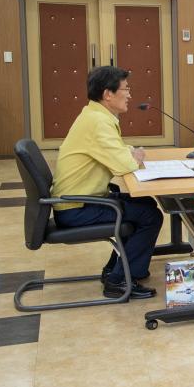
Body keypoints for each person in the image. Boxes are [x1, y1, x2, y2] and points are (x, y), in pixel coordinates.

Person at [51, 66, 163, 300]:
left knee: (145, 204)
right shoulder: (98, 121)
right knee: (150, 216)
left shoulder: (95, 115)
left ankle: (116, 270)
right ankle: (119, 281)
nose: (130, 95)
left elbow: (120, 150)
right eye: (126, 89)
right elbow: (125, 164)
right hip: (76, 208)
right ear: (108, 94)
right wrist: (134, 156)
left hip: (80, 200)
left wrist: (130, 154)